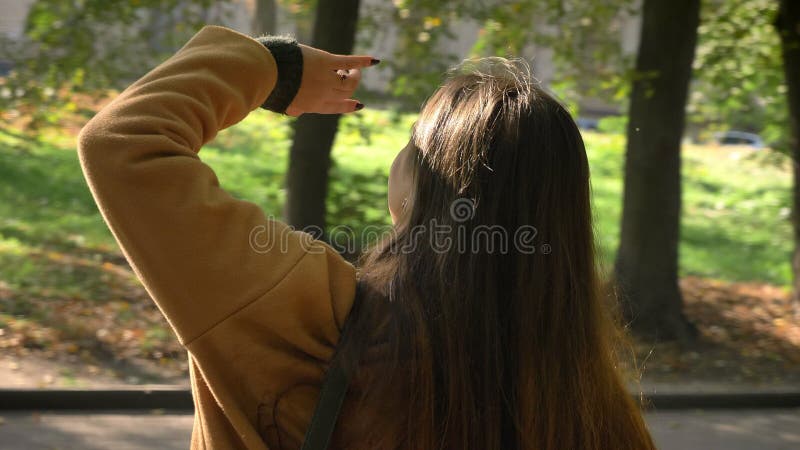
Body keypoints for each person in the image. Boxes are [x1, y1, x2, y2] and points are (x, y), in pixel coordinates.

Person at [78, 24, 655, 450]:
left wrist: (270, 68)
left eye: (414, 141)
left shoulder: (305, 313)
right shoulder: (593, 408)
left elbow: (125, 146)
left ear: (425, 183)